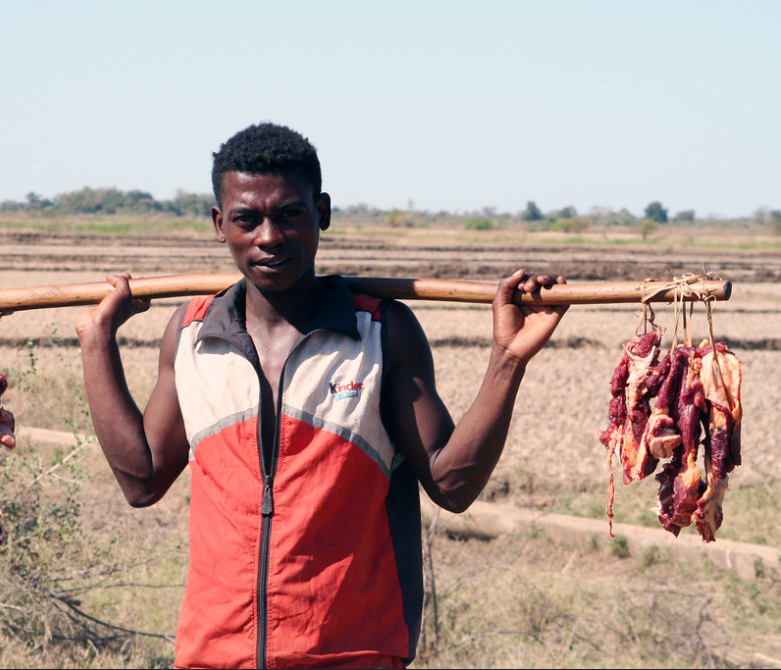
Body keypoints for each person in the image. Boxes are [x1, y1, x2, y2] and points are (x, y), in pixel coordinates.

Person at [76, 122, 568, 669]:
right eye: (246, 219)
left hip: (352, 656)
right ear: (220, 224)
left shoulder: (381, 332)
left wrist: (508, 360)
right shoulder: (192, 333)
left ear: (322, 212)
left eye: (289, 214)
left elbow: (452, 486)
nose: (269, 237)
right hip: (213, 654)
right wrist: (97, 341)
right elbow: (142, 480)